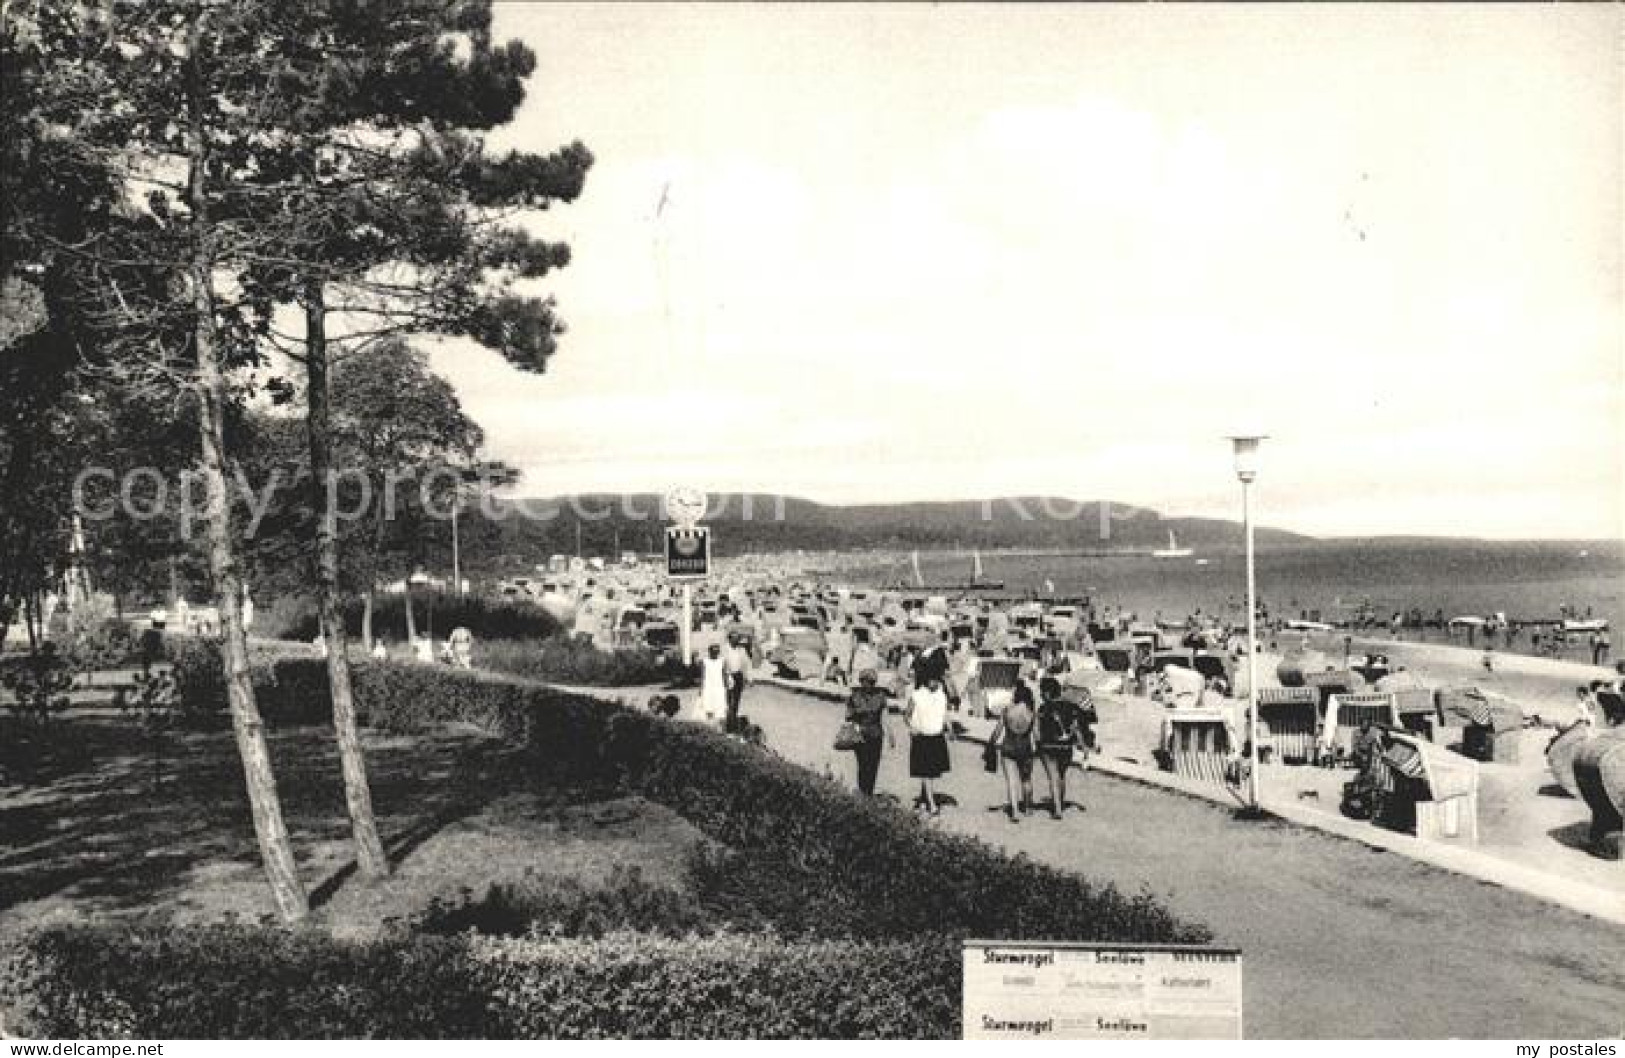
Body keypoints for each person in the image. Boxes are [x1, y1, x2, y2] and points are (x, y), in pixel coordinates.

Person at [1036, 678, 1095, 818]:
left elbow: (1038, 731)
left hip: (1048, 746)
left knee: (1053, 776)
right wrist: (1084, 748)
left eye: (1042, 692)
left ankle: (1057, 809)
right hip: (1066, 746)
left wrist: (1036, 746)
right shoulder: (1071, 707)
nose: (1040, 695)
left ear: (1048, 693)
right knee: (1061, 776)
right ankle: (1060, 804)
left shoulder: (1044, 708)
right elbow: (1077, 729)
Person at [989, 679, 1037, 822]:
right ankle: (1028, 808)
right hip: (1025, 747)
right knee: (1026, 780)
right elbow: (1037, 735)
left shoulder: (1007, 711)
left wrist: (990, 743)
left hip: (1008, 746)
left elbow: (997, 731)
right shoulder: (1031, 713)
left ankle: (1015, 812)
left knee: (1011, 781)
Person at [905, 674, 952, 815]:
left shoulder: (941, 695)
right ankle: (932, 804)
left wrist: (950, 729)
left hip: (936, 736)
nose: (935, 682)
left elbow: (944, 714)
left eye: (937, 680)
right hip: (921, 736)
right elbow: (907, 715)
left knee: (932, 771)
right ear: (926, 680)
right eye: (933, 679)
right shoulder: (917, 695)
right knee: (925, 771)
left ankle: (924, 799)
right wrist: (911, 727)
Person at [844, 669, 895, 796]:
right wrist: (855, 728)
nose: (868, 685)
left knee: (873, 764)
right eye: (866, 682)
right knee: (862, 764)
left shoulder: (880, 696)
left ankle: (868, 792)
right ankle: (862, 790)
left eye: (871, 682)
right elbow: (848, 716)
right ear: (861, 682)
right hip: (860, 735)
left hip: (876, 735)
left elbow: (885, 716)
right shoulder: (854, 696)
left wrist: (890, 734)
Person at [695, 643, 729, 727]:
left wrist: (726, 687)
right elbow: (702, 676)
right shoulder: (704, 661)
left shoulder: (722, 661)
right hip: (708, 687)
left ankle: (720, 728)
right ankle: (710, 727)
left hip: (719, 687)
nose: (715, 653)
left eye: (717, 651)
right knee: (708, 707)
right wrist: (701, 688)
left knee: (721, 708)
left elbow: (724, 674)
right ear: (709, 652)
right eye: (713, 651)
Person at [723, 634, 751, 731]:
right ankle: (728, 724)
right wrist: (726, 676)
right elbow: (722, 664)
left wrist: (747, 678)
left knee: (736, 700)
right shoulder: (724, 650)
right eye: (734, 638)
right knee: (729, 700)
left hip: (738, 676)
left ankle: (733, 721)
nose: (737, 640)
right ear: (729, 639)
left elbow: (746, 664)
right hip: (728, 675)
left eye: (738, 638)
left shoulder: (742, 650)